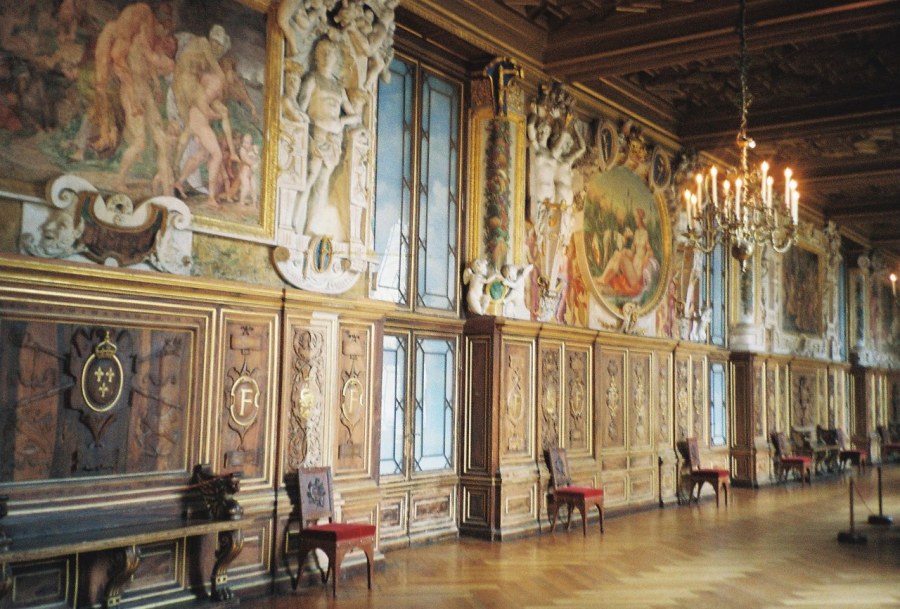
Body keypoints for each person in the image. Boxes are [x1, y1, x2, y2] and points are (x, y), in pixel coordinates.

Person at [291, 38, 362, 239]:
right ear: (316, 56)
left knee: (321, 185)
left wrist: (342, 121)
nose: (326, 56)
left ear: (335, 58)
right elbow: (301, 108)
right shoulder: (312, 79)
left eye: (330, 53)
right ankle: (293, 223)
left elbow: (356, 116)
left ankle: (308, 227)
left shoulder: (339, 88)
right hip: (317, 133)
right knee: (309, 178)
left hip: (333, 139)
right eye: (322, 52)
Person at [171, 24, 235, 207]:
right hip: (199, 117)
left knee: (202, 154)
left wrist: (218, 112)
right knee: (216, 154)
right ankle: (211, 198)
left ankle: (179, 182)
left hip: (198, 115)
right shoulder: (215, 78)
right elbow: (203, 101)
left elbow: (209, 102)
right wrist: (216, 114)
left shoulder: (211, 81)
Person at [597, 208, 657, 298]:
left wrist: (645, 258)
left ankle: (604, 279)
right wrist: (624, 251)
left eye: (636, 218)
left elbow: (650, 251)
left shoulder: (646, 234)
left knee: (621, 256)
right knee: (618, 253)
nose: (635, 220)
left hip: (637, 274)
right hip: (633, 267)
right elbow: (632, 251)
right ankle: (604, 278)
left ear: (640, 219)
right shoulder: (636, 232)